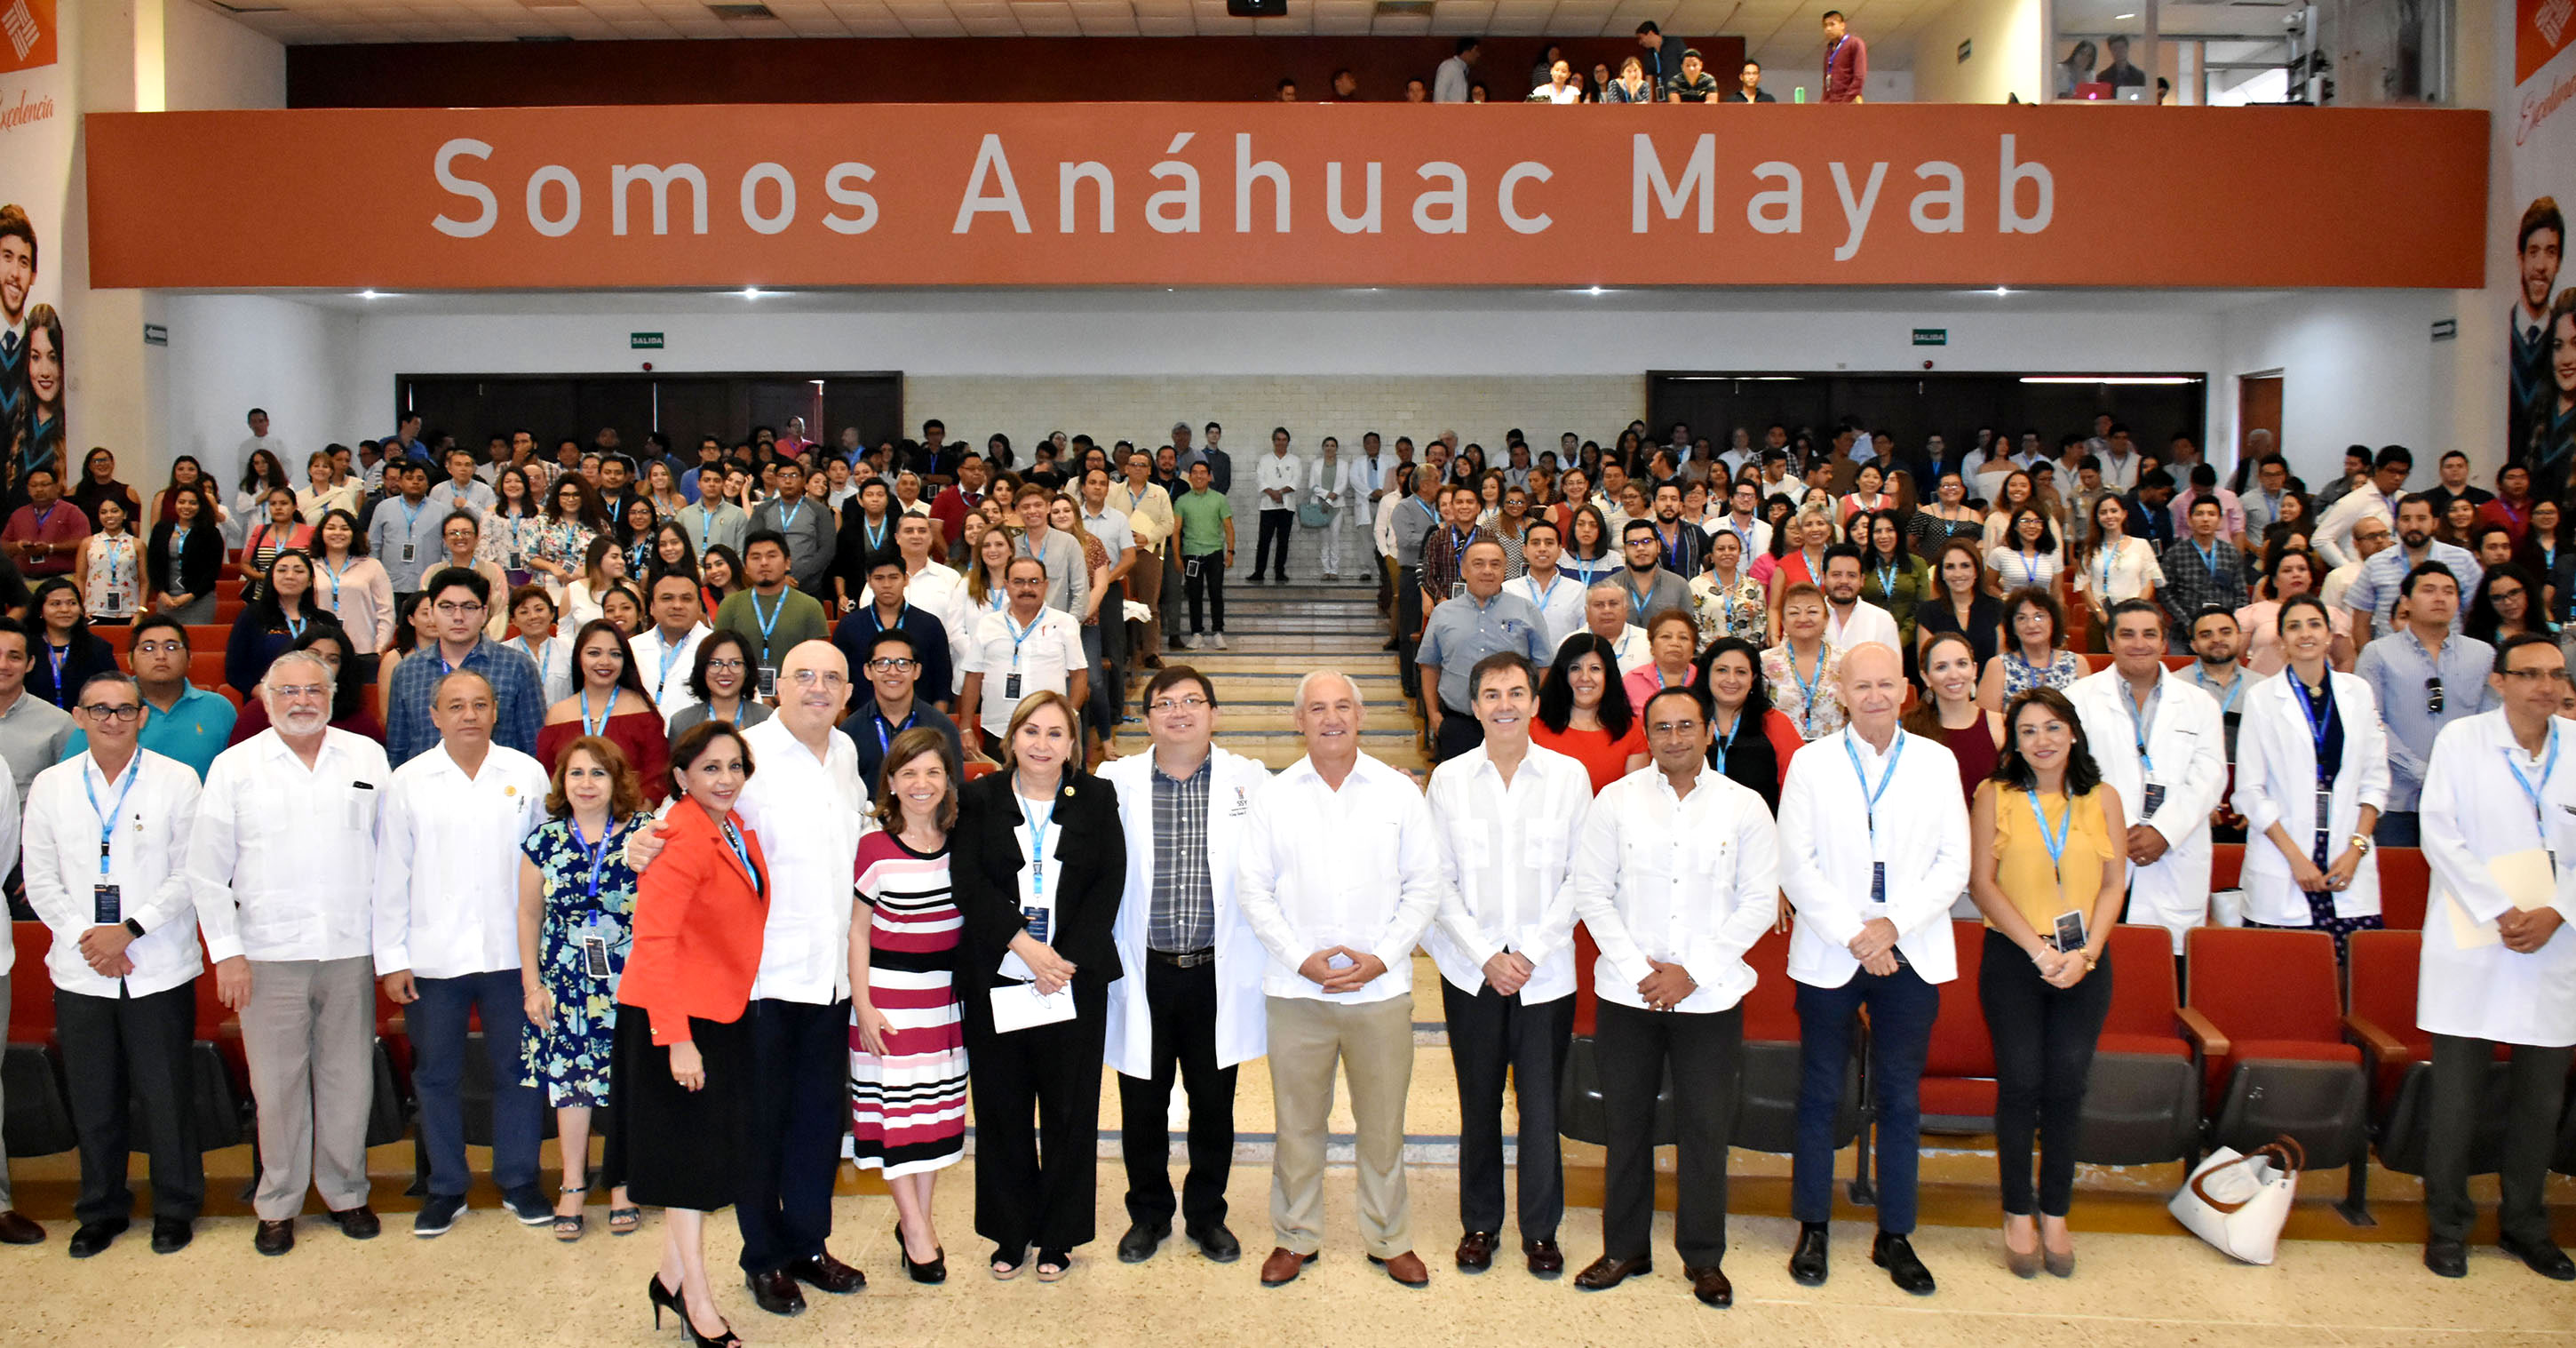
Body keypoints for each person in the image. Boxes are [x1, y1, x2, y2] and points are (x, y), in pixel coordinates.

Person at [1564, 679, 1777, 1308]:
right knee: (1625, 1124)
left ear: (1707, 731)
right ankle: (1625, 1246)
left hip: (1710, 998)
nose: (1675, 737)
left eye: (1687, 725)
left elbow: (1760, 901)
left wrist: (1693, 971)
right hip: (1628, 995)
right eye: (1663, 727)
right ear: (1648, 735)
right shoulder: (1615, 801)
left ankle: (1704, 1256)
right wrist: (1639, 969)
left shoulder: (1745, 806)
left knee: (1705, 1127)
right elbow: (1591, 892)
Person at [1238, 670, 1442, 1289]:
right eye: (1317, 708)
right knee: (1299, 1123)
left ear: (1360, 715)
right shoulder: (1274, 796)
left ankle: (1389, 1236)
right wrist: (1301, 957)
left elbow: (1424, 884)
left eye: (1343, 706)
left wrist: (1381, 956)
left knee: (1383, 1123)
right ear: (1299, 720)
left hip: (1379, 991)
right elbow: (1254, 887)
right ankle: (1296, 1235)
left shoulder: (1398, 792)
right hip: (1297, 991)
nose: (1331, 717)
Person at [1779, 642, 1966, 1295]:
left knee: (1900, 1096)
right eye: (1863, 685)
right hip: (1831, 949)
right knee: (1820, 1092)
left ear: (1906, 691)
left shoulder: (1938, 763)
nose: (1876, 695)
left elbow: (1954, 863)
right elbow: (1795, 865)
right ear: (1841, 690)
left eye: (1887, 684)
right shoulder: (1810, 763)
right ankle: (1814, 1225)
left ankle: (1896, 1233)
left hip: (1911, 947)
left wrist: (1892, 926)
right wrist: (1859, 934)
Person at [190, 651, 386, 1256]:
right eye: (289, 690)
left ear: (332, 692)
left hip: (350, 947)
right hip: (267, 952)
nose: (303, 699)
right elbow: (206, 870)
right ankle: (277, 1203)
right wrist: (227, 953)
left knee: (348, 1079)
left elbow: (392, 855)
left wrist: (393, 948)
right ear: (265, 696)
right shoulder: (234, 766)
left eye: (313, 688)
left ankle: (347, 1192)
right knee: (275, 1087)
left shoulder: (367, 757)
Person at [2415, 633, 2576, 1282]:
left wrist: (2557, 910)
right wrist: (2501, 909)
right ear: (2499, 681)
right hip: (2475, 936)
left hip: (2555, 941)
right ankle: (2447, 1226)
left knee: (2540, 1100)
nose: (2546, 685)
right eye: (2530, 673)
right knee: (2457, 1097)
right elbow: (2438, 830)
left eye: (2556, 674)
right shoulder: (2463, 740)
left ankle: (2525, 1224)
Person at [26, 673, 204, 1256]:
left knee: (166, 1092)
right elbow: (40, 879)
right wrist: (90, 937)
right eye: (99, 709)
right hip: (80, 968)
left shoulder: (177, 781)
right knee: (94, 1094)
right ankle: (101, 1208)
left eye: (124, 709)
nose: (112, 719)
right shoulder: (51, 786)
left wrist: (129, 929)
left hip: (157, 960)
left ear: (142, 717)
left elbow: (190, 872)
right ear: (77, 716)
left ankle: (175, 1206)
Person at [1095, 666, 1268, 1266]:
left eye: (1193, 701)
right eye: (1165, 702)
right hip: (1144, 967)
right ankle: (1148, 1213)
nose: (1179, 712)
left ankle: (1206, 1214)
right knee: (1141, 1101)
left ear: (1213, 713)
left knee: (1213, 1102)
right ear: (1147, 718)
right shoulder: (1113, 780)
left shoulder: (1251, 779)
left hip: (1215, 971)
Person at [950, 691, 1125, 1282]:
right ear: (1010, 739)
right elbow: (967, 881)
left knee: (1069, 1112)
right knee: (1002, 1109)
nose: (1042, 743)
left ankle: (1059, 1235)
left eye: (1056, 733)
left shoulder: (1097, 797)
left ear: (1073, 745)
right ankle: (1010, 1230)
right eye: (1031, 730)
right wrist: (1022, 945)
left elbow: (1108, 884)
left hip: (1071, 981)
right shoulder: (979, 798)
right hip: (999, 973)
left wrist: (1061, 961)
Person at [1423, 652, 1587, 1280]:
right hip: (1473, 972)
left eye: (1516, 692)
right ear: (1474, 704)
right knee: (1479, 1100)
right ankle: (1480, 1223)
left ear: (1536, 702)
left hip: (1545, 975)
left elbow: (1582, 877)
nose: (1505, 704)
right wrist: (1488, 954)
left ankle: (1541, 1230)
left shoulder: (1569, 777)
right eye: (1491, 694)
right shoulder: (1450, 780)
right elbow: (1438, 880)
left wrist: (1530, 953)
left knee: (1542, 1106)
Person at [375, 670, 552, 1236]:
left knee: (516, 1071)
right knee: (436, 1075)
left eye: (480, 704)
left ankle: (519, 1179)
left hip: (511, 955)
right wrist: (392, 958)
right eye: (456, 706)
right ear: (435, 716)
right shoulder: (407, 781)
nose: (469, 715)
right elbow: (389, 874)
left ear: (495, 712)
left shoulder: (526, 773)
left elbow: (548, 863)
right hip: (432, 956)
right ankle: (445, 1186)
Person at [616, 719, 769, 1348]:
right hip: (676, 1017)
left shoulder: (727, 826)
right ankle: (695, 1299)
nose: (725, 778)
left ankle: (666, 1275)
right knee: (689, 1170)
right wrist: (676, 1039)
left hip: (720, 1011)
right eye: (710, 767)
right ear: (681, 776)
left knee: (706, 1158)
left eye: (734, 765)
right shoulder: (677, 834)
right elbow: (653, 945)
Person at [1968, 687, 2127, 1279]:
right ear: (2015, 739)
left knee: (2067, 1084)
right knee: (2021, 1082)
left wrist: (2086, 952)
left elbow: (2114, 883)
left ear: (2074, 732)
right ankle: (2016, 1211)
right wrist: (2038, 950)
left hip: (2084, 962)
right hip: (2015, 958)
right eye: (2028, 729)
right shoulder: (1995, 794)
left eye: (2052, 727)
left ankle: (2056, 1210)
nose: (2042, 740)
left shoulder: (2103, 796)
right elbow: (1982, 882)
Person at [514, 735, 650, 1240]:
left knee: (625, 1082)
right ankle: (573, 1182)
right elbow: (529, 914)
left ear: (617, 781)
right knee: (571, 1083)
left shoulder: (644, 834)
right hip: (564, 982)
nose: (587, 784)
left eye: (598, 773)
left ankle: (621, 1181)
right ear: (562, 781)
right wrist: (533, 985)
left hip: (631, 979)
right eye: (576, 773)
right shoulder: (543, 840)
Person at [848, 726, 967, 1282]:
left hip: (943, 1005)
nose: (922, 784)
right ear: (891, 783)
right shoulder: (872, 847)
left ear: (948, 781)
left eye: (933, 772)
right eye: (909, 774)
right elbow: (856, 933)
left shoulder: (961, 842)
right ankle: (917, 1229)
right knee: (898, 1120)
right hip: (890, 1005)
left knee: (933, 1119)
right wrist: (865, 1007)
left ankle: (917, 1219)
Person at [2067, 602, 2228, 954]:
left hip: (2175, 852)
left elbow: (2209, 777)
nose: (2139, 643)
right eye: (2127, 634)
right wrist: (2120, 835)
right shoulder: (2076, 701)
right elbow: (2072, 776)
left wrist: (2163, 832)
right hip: (2103, 852)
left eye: (2149, 634)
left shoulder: (2201, 704)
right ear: (2110, 642)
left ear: (2164, 643)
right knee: (2098, 966)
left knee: (2163, 970)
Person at [2232, 595, 2389, 953]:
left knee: (2349, 974)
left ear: (2329, 634)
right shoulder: (2262, 697)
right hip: (2285, 854)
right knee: (2286, 973)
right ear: (2281, 641)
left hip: (2346, 857)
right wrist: (2296, 859)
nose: (2305, 634)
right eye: (2294, 626)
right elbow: (2250, 791)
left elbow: (2375, 780)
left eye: (2314, 624)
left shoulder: (2357, 692)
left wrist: (2356, 850)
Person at [2356, 563, 2494, 846]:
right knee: (2399, 883)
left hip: (2464, 800)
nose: (2440, 598)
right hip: (2397, 800)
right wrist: (2422, 771)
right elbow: (2371, 722)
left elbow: (2490, 722)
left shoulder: (2482, 655)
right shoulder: (2378, 653)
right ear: (2405, 601)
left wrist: (2455, 775)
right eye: (2428, 590)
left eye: (2449, 591)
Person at [383, 568, 545, 766]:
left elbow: (534, 747)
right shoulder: (407, 671)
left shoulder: (517, 666)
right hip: (426, 790)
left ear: (485, 613)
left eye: (469, 607)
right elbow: (398, 750)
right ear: (432, 612)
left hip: (499, 790)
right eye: (447, 607)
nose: (458, 617)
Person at [1419, 539, 1552, 762]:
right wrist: (1434, 715)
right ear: (1463, 569)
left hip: (1512, 722)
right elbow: (1429, 666)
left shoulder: (1526, 610)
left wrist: (1528, 704)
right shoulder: (1443, 613)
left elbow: (1544, 663)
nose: (1487, 571)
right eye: (1479, 564)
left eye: (1495, 564)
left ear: (1505, 569)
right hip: (1458, 723)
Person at [65, 614, 235, 779]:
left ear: (190, 658)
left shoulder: (219, 709)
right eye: (148, 648)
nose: (161, 656)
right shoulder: (104, 710)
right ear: (130, 660)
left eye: (171, 647)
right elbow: (69, 774)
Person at [961, 556, 1088, 756]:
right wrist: (966, 727)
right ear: (1007, 585)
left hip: (1051, 732)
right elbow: (973, 676)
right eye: (1018, 582)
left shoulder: (1065, 623)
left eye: (1034, 581)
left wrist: (1069, 718)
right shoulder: (988, 624)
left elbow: (1080, 675)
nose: (1026, 588)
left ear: (1046, 585)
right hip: (999, 729)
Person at [537, 618, 672, 804]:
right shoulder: (557, 714)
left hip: (630, 822)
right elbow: (548, 779)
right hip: (572, 824)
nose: (605, 662)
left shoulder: (641, 708)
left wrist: (631, 822)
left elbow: (657, 775)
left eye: (615, 654)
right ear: (579, 657)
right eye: (594, 653)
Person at [2347, 493, 2481, 642]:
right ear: (2395, 523)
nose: (2413, 526)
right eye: (2406, 519)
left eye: (2422, 519)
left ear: (2435, 523)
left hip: (2449, 653)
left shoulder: (2462, 559)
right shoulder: (2376, 563)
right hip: (2391, 657)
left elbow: (2477, 615)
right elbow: (2360, 623)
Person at [714, 531, 829, 702]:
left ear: (787, 563)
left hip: (797, 700)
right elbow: (719, 660)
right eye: (755, 557)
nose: (764, 563)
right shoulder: (730, 606)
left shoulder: (810, 606)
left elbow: (820, 663)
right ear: (745, 566)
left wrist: (779, 698)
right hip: (741, 701)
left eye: (771, 555)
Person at [1532, 633, 1650, 794]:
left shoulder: (1629, 728)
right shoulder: (1534, 726)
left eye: (1595, 669)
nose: (1585, 677)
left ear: (1608, 676)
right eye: (1575, 668)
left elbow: (1636, 798)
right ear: (1562, 674)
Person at [1907, 630, 2005, 806]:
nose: (1954, 675)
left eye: (1961, 664)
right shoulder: (1909, 731)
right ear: (1925, 677)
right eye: (1941, 667)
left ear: (1974, 670)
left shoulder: (2000, 725)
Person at [227, 549, 336, 698]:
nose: (290, 576)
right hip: (266, 702)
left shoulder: (325, 620)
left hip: (317, 700)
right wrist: (262, 693)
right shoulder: (252, 615)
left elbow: (342, 666)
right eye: (282, 570)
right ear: (271, 577)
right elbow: (235, 670)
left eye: (299, 571)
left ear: (310, 580)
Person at [2238, 546, 2356, 674]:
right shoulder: (2253, 613)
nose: (2296, 574)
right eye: (2287, 571)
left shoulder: (2331, 614)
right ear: (2274, 580)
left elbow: (2345, 660)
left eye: (2302, 569)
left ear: (2311, 577)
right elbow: (2235, 657)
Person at [2160, 497, 2251, 649]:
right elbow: (2165, 593)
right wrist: (2188, 623)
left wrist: (2231, 623)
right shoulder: (2175, 553)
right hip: (2184, 632)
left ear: (2220, 520)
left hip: (2223, 632)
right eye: (2200, 514)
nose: (2205, 519)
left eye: (2211, 514)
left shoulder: (2231, 553)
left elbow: (2241, 594)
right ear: (2189, 520)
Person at [1978, 587, 2083, 714]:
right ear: (2012, 627)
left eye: (2039, 617)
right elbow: (1988, 724)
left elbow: (2087, 719)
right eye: (2021, 618)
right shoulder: (1998, 666)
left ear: (2053, 622)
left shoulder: (2076, 663)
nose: (2031, 625)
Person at [1764, 583, 1844, 742]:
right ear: (1783, 621)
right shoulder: (1764, 662)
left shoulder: (1845, 660)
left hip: (1834, 750)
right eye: (1794, 613)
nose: (1803, 619)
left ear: (1826, 619)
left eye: (1812, 612)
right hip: (1780, 751)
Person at [310, 509, 394, 659]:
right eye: (331, 528)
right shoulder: (310, 566)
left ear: (354, 534)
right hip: (318, 651)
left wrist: (379, 647)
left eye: (344, 528)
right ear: (321, 533)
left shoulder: (372, 566)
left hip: (364, 650)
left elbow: (386, 610)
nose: (337, 533)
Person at [27, 577, 118, 712]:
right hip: (34, 723)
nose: (65, 609)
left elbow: (114, 690)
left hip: (86, 724)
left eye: (72, 603)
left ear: (81, 609)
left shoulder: (99, 648)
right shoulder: (26, 646)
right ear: (40, 610)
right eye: (55, 604)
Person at [1173, 460, 1234, 650]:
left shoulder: (1219, 499)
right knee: (1194, 595)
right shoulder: (1182, 500)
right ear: (1190, 476)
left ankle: (1217, 633)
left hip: (1214, 553)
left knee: (1216, 593)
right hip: (1191, 555)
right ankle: (1196, 633)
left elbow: (1229, 528)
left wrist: (1230, 551)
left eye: (1203, 472)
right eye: (1195, 472)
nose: (1199, 476)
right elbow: (1176, 531)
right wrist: (1176, 556)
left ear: (1209, 476)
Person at [631, 571, 710, 718]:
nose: (677, 605)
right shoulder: (631, 648)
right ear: (652, 607)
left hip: (698, 738)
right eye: (667, 598)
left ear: (699, 607)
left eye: (686, 599)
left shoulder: (719, 648)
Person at [667, 630, 773, 738]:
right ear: (703, 669)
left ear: (747, 669)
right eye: (716, 663)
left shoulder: (767, 718)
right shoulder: (682, 723)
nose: (725, 672)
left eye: (735, 663)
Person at [1917, 540, 2003, 672]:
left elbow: (2002, 663)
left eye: (1965, 566)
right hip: (1945, 688)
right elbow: (1926, 667)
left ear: (1976, 571)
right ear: (1941, 574)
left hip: (1989, 688)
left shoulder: (1997, 608)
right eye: (1950, 567)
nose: (1958, 574)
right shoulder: (1928, 612)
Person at [145, 481, 223, 626]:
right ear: (175, 504)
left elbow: (213, 571)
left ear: (200, 505)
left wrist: (191, 596)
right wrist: (161, 593)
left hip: (199, 599)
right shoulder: (161, 529)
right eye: (181, 502)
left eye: (192, 503)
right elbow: (152, 564)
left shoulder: (210, 533)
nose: (186, 507)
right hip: (167, 600)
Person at [1505, 519, 1586, 651]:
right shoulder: (1508, 590)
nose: (1542, 549)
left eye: (1549, 543)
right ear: (1524, 550)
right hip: (1519, 667)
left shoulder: (1578, 590)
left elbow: (1584, 635)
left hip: (1562, 668)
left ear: (1560, 550)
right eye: (1535, 543)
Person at [5, 467, 89, 580]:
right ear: (28, 489)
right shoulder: (18, 514)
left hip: (63, 578)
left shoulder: (72, 512)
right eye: (33, 486)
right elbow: (3, 545)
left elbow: (85, 543)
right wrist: (17, 546)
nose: (39, 489)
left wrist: (51, 548)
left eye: (45, 484)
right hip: (25, 579)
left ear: (56, 487)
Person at [1820, 8, 1866, 102]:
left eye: (1832, 24)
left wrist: (1844, 103)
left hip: (1849, 103)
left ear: (1842, 25)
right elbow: (1826, 83)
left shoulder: (1855, 43)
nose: (1828, 29)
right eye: (1825, 26)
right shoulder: (1829, 50)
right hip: (1831, 104)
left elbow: (1859, 77)